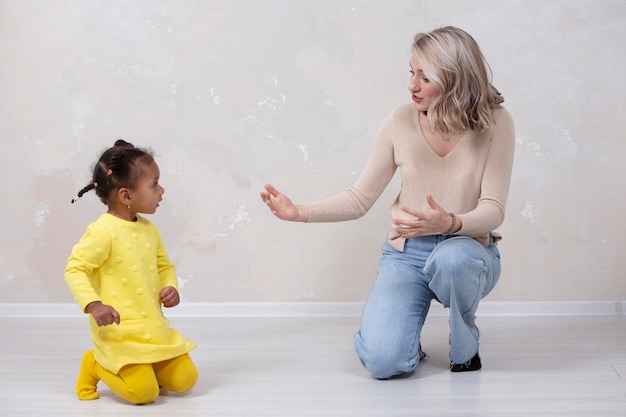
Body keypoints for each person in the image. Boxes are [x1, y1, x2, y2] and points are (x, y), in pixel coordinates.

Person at [260, 26, 515, 378]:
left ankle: (465, 347)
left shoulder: (496, 123)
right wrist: (298, 212)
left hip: (469, 250)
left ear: (455, 79)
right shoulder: (399, 121)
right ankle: (400, 338)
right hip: (407, 253)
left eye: (425, 77)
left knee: (453, 257)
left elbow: (493, 210)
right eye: (411, 73)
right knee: (384, 362)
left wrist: (450, 224)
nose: (411, 85)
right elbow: (360, 198)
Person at [65, 140, 198, 404]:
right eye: (154, 184)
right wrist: (93, 304)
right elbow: (75, 269)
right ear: (126, 196)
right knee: (143, 393)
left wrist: (170, 286)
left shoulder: (149, 229)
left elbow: (164, 267)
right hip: (120, 335)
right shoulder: (103, 232)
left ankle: (148, 366)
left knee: (186, 381)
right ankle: (95, 364)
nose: (162, 190)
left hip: (153, 331)